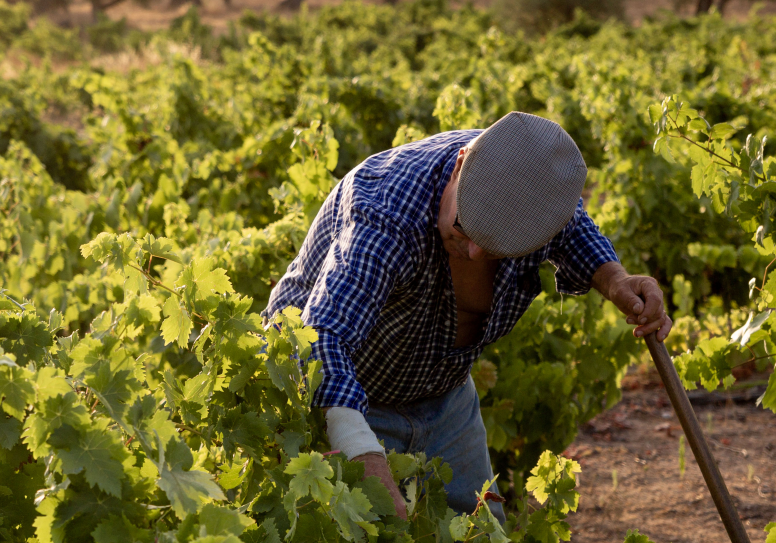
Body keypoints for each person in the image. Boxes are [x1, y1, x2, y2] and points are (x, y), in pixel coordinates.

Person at [266, 111, 672, 521]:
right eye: (463, 228)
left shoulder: (531, 189)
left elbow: (572, 227)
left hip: (447, 400)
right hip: (346, 395)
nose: (474, 252)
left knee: (480, 542)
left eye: (494, 247)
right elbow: (321, 336)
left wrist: (616, 279)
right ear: (460, 164)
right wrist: (361, 452)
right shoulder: (385, 212)